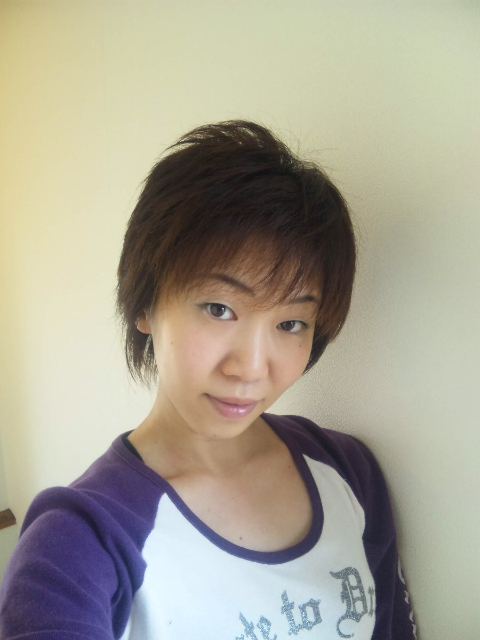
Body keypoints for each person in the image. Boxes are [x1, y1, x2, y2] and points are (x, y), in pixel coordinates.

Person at [0, 120, 416, 639]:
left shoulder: (347, 471)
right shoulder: (79, 544)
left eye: (291, 323)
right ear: (145, 305)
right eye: (219, 309)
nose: (252, 367)